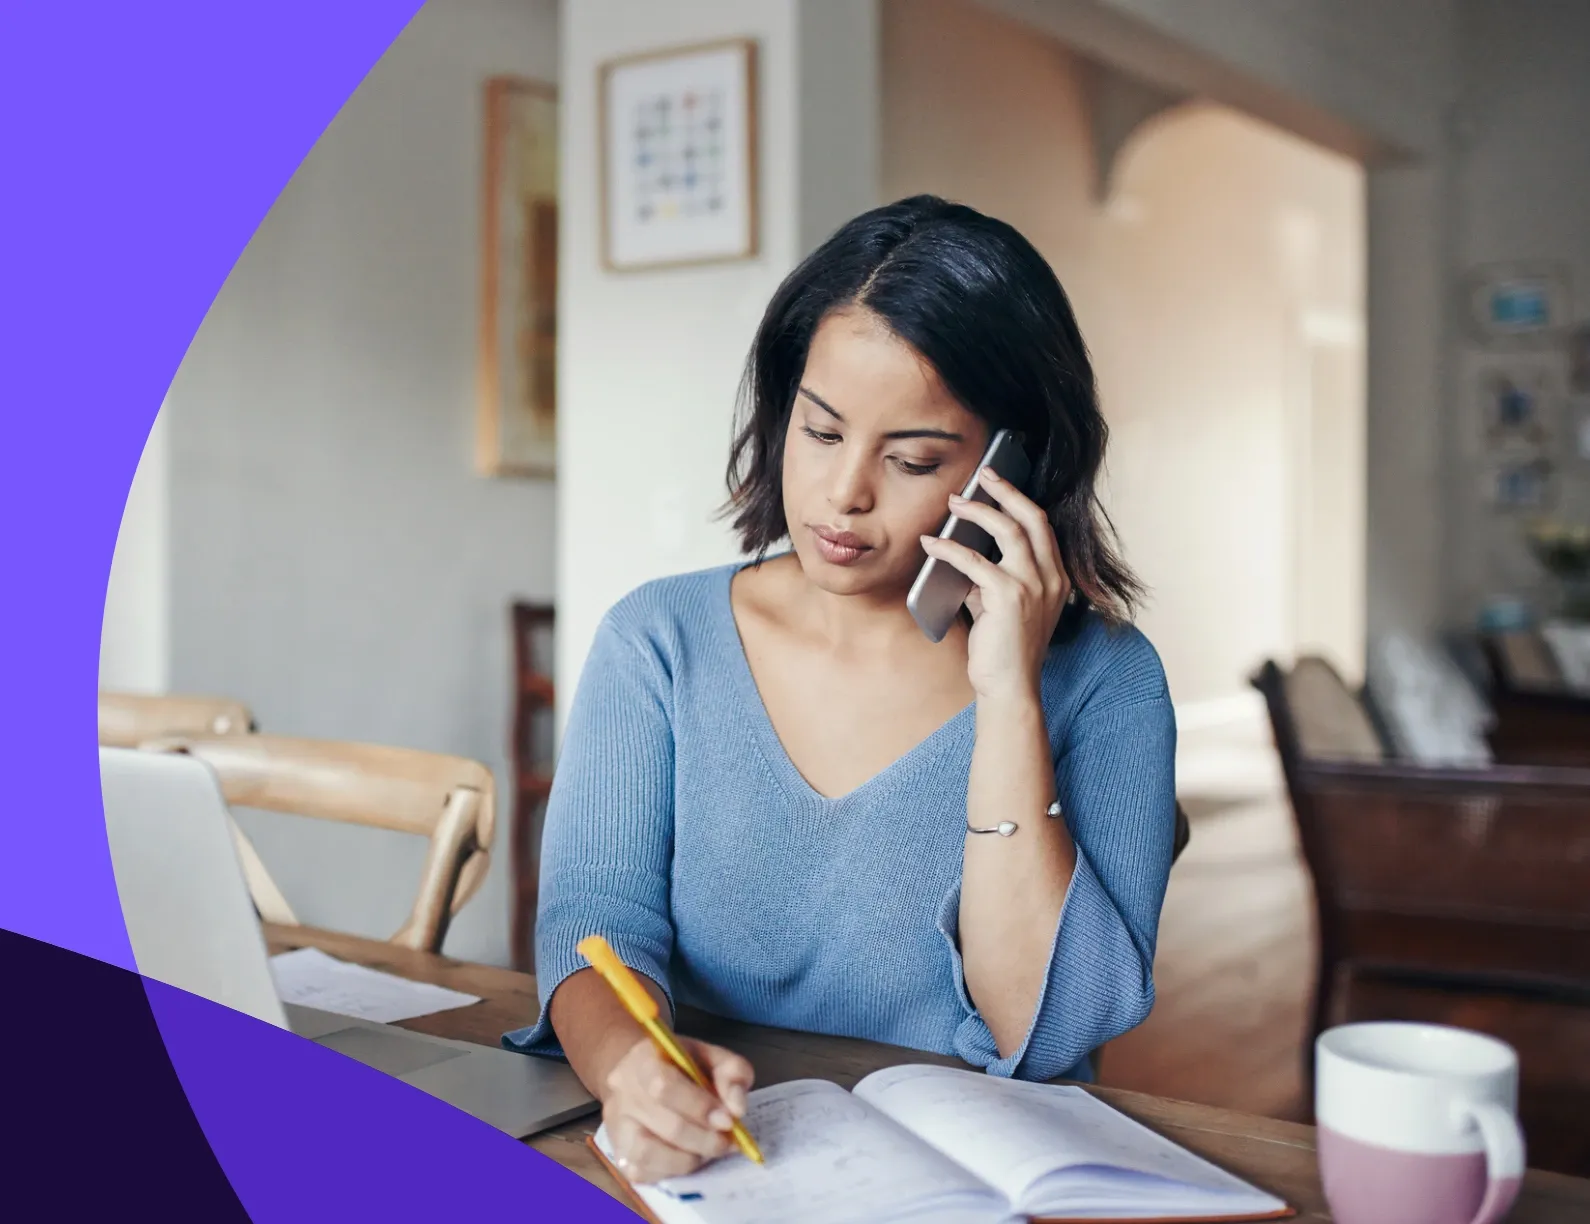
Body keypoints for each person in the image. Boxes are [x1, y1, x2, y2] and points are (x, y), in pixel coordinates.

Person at [502, 195, 1177, 1183]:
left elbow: (1041, 1031)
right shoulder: (660, 641)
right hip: (718, 1171)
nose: (845, 493)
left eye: (911, 459)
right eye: (820, 434)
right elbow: (594, 917)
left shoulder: (1109, 685)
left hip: (972, 1186)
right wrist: (631, 1069)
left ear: (1015, 465)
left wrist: (1009, 700)